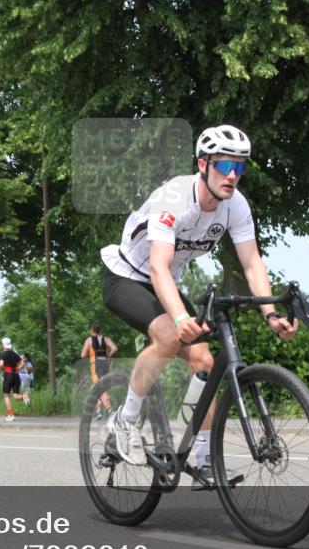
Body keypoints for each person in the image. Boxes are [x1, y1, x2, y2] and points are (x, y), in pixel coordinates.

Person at [100, 124, 297, 484]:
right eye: (225, 165)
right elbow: (158, 266)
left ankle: (201, 457)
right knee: (169, 336)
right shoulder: (174, 198)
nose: (233, 175)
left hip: (165, 282)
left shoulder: (235, 206)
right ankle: (124, 421)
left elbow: (252, 263)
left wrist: (271, 313)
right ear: (203, 164)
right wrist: (177, 317)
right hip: (127, 275)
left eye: (240, 167)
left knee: (205, 361)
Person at [81, 323, 118, 419]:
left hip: (95, 367)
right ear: (99, 330)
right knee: (97, 388)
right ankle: (98, 412)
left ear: (91, 330)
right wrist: (108, 356)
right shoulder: (106, 339)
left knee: (100, 388)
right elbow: (114, 348)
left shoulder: (89, 340)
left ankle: (110, 410)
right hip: (105, 366)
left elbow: (83, 355)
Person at [0, 337, 25, 422]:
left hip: (8, 376)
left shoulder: (3, 354)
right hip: (16, 375)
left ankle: (10, 414)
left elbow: (1, 364)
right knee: (16, 396)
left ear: (3, 345)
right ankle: (24, 396)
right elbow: (22, 363)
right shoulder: (14, 353)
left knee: (6, 396)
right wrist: (18, 368)